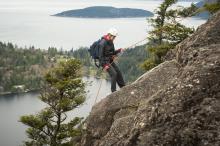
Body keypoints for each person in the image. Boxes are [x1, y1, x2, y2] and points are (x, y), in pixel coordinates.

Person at [98, 28, 126, 92]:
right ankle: (113, 91)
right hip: (105, 62)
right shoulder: (102, 43)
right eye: (114, 37)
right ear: (110, 35)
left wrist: (119, 50)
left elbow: (112, 52)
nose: (114, 38)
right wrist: (104, 65)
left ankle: (123, 87)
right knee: (114, 74)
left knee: (118, 72)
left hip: (109, 60)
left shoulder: (110, 42)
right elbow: (100, 56)